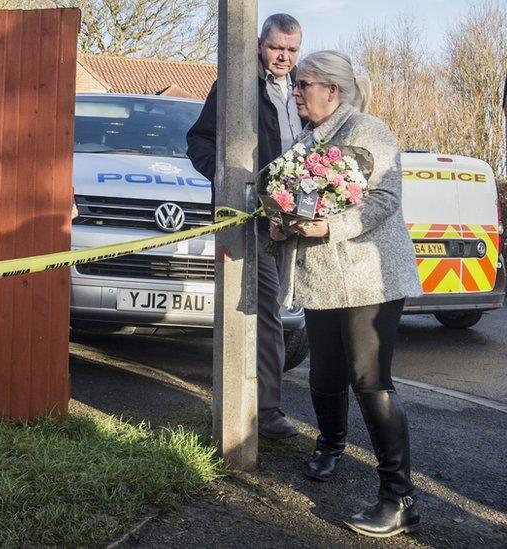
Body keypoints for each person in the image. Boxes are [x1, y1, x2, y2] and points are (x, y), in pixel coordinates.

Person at [271, 50, 423, 538]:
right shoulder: (308, 140)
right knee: (325, 373)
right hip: (323, 279)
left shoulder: (368, 131)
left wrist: (330, 225)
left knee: (369, 379)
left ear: (332, 91)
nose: (295, 92)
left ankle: (399, 499)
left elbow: (384, 198)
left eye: (304, 84)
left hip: (367, 278)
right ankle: (331, 446)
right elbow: (298, 200)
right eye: (296, 85)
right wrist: (281, 224)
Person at [187, 13, 304, 440]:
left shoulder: (303, 89)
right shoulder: (236, 87)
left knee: (301, 311)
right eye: (277, 48)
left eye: (292, 50)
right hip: (252, 218)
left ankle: (322, 422)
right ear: (260, 45)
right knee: (266, 309)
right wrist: (224, 177)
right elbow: (199, 139)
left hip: (300, 219)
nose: (284, 57)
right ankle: (267, 411)